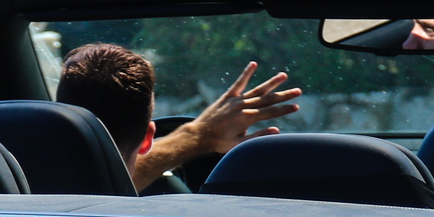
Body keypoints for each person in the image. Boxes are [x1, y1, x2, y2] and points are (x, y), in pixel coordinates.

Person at [55, 43, 303, 193]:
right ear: (147, 138)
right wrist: (200, 135)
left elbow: (98, 182)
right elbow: (108, 182)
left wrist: (199, 136)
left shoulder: (18, 185)